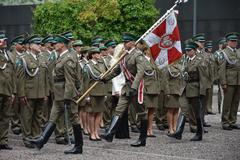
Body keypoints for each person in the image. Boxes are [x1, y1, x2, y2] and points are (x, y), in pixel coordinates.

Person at [28, 35, 83, 154]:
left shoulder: (67, 58)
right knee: (53, 117)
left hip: (66, 93)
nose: (54, 45)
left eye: (56, 43)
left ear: (62, 44)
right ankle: (41, 141)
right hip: (59, 94)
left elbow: (70, 80)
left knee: (74, 117)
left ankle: (79, 146)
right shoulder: (61, 57)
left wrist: (68, 97)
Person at [101, 33, 148, 147]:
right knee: (119, 110)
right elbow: (117, 71)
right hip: (127, 88)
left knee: (141, 114)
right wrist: (104, 78)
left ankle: (142, 139)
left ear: (132, 43)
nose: (124, 44)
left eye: (126, 42)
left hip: (136, 88)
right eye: (124, 42)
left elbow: (140, 73)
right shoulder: (125, 56)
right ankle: (110, 134)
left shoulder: (138, 55)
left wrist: (134, 87)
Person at [169, 40, 207, 141]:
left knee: (197, 112)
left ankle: (199, 133)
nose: (187, 52)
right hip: (185, 88)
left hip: (195, 88)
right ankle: (178, 132)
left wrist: (202, 92)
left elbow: (203, 77)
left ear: (194, 50)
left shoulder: (200, 60)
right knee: (184, 109)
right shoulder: (185, 60)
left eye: (189, 50)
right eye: (186, 50)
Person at [18, 35, 49, 148]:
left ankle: (36, 136)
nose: (40, 46)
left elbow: (46, 78)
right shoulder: (23, 59)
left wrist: (46, 92)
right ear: (30, 46)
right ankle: (27, 138)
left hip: (40, 92)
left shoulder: (41, 58)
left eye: (40, 44)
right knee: (27, 116)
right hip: (29, 93)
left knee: (38, 115)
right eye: (37, 44)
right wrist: (22, 94)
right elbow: (20, 78)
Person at [219, 32, 240, 130]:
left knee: (235, 102)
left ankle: (232, 121)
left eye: (235, 41)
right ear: (227, 42)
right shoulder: (224, 53)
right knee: (227, 102)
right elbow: (222, 69)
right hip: (229, 81)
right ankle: (225, 122)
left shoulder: (238, 52)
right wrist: (223, 82)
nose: (234, 42)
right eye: (232, 41)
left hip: (238, 81)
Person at [86, 47, 107, 141]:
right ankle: (92, 133)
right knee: (91, 113)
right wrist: (86, 95)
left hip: (101, 91)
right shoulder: (88, 66)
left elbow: (105, 78)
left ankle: (96, 132)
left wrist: (105, 92)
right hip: (92, 91)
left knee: (99, 113)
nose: (99, 55)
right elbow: (85, 81)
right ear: (92, 55)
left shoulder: (101, 64)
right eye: (97, 53)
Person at [0, 31, 16, 150]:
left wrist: (13, 91)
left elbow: (12, 74)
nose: (5, 42)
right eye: (2, 40)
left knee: (6, 117)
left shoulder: (8, 54)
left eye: (5, 40)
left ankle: (3, 140)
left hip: (7, 90)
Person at [10, 35, 26, 135]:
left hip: (24, 85)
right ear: (16, 45)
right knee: (15, 108)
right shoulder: (12, 56)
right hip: (15, 85)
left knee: (23, 107)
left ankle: (21, 124)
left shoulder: (24, 56)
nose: (23, 45)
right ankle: (15, 125)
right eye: (21, 44)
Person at [165, 62, 183, 136]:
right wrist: (167, 92)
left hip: (179, 91)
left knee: (176, 109)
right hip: (172, 90)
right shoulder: (168, 66)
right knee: (170, 110)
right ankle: (170, 128)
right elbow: (165, 80)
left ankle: (175, 127)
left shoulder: (180, 66)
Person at [214, 37, 227, 113]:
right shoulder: (217, 53)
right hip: (220, 75)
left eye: (223, 43)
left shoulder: (226, 52)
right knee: (221, 94)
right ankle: (221, 109)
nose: (222, 45)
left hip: (228, 75)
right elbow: (215, 65)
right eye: (221, 43)